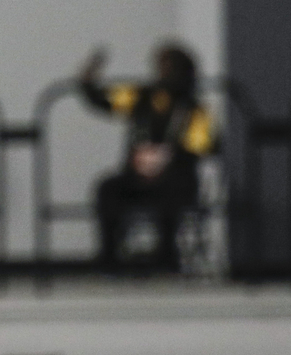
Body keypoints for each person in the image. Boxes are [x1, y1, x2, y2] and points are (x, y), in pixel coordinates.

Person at [79, 43, 214, 271]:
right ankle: (110, 257)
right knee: (108, 188)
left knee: (175, 189)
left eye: (171, 68)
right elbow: (104, 100)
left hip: (174, 177)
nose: (164, 73)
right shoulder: (142, 96)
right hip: (136, 177)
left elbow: (202, 148)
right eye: (161, 67)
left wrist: (165, 159)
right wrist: (87, 80)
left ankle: (166, 256)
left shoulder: (195, 108)